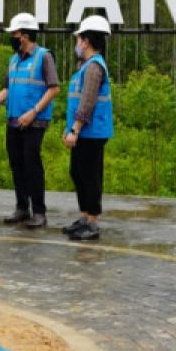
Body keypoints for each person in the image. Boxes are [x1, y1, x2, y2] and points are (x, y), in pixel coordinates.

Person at [0, 12, 60, 228]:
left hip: (34, 122)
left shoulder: (44, 56)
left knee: (32, 164)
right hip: (13, 120)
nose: (12, 37)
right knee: (16, 164)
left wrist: (33, 112)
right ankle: (22, 208)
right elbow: (7, 90)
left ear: (26, 35)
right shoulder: (13, 60)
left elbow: (54, 88)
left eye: (15, 33)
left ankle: (39, 212)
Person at [62, 15, 114, 242]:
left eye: (79, 39)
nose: (77, 44)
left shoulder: (94, 67)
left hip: (91, 132)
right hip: (85, 131)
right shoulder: (86, 66)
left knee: (90, 176)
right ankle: (84, 217)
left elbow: (88, 102)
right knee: (78, 172)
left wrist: (75, 129)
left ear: (87, 41)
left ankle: (92, 222)